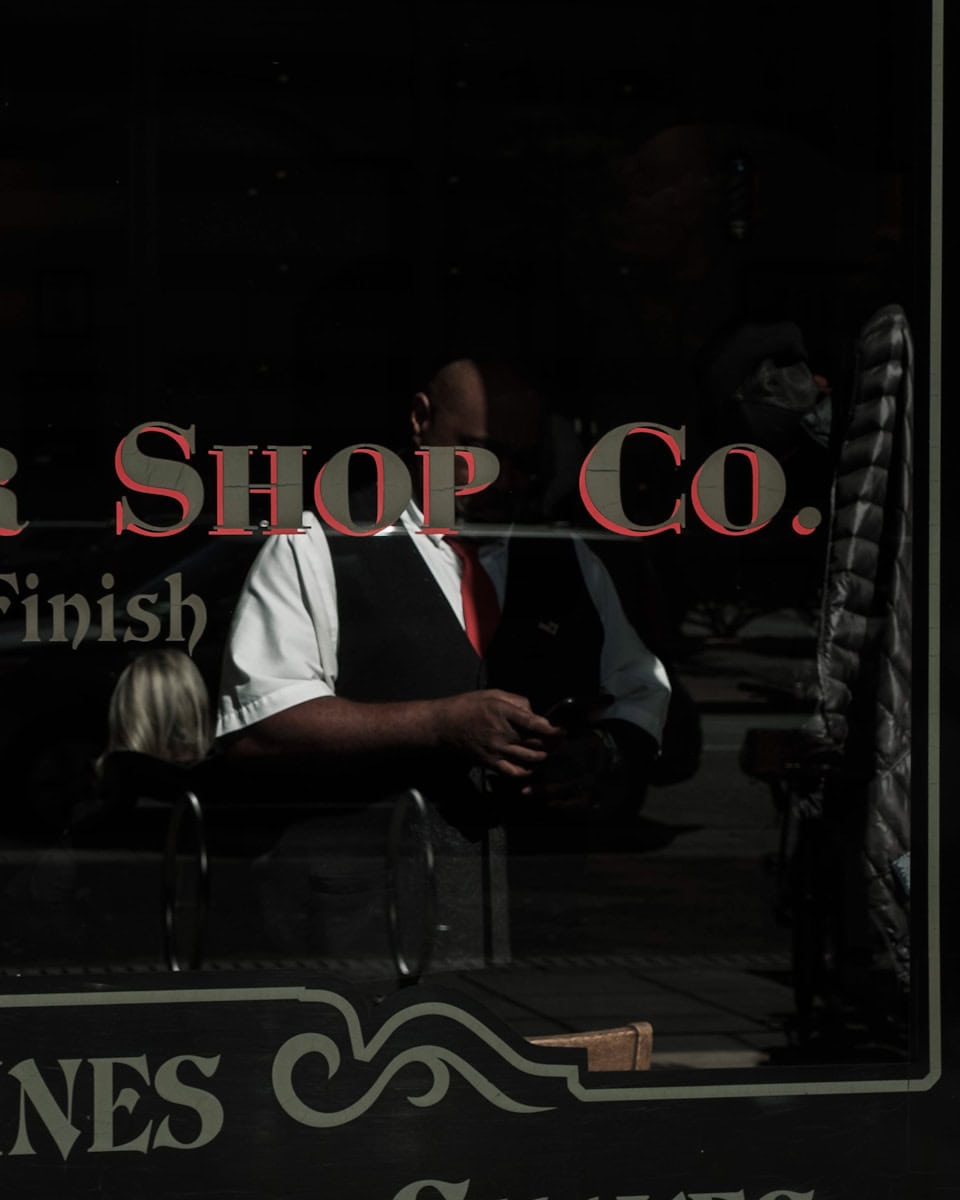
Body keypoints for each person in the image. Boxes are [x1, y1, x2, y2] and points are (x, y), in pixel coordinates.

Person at [215, 357, 671, 968]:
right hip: (363, 933)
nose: (501, 478)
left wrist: (599, 753)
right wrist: (438, 723)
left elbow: (642, 692)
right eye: (477, 452)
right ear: (421, 420)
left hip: (529, 933)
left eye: (521, 459)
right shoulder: (320, 542)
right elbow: (261, 724)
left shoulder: (568, 562)